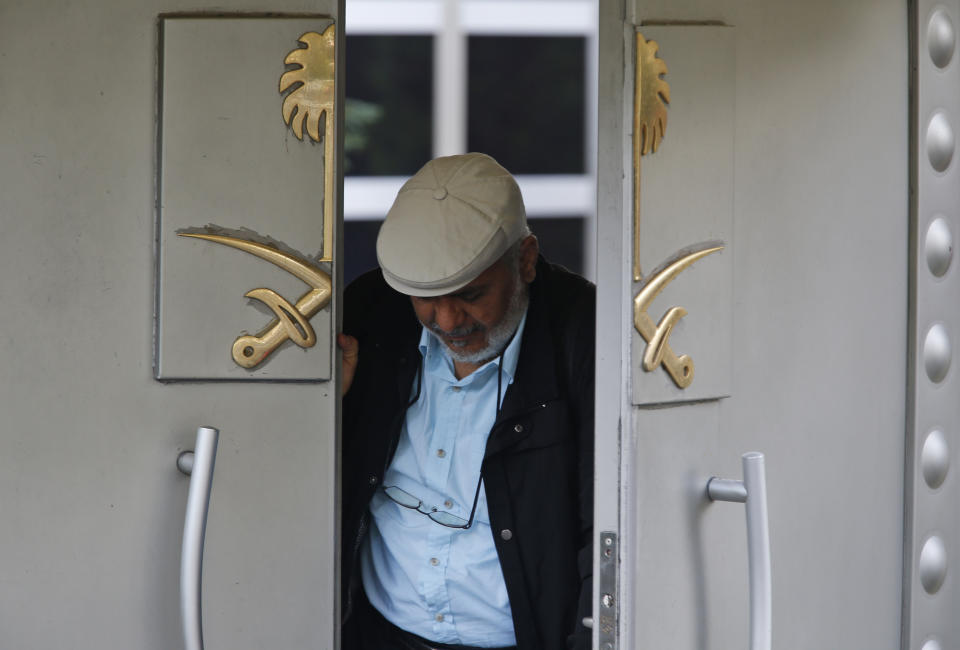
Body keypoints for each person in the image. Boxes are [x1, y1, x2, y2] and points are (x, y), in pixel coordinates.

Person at [339, 153, 594, 650]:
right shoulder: (372, 312)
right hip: (377, 633)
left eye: (472, 294)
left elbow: (604, 529)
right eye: (426, 298)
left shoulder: (587, 337)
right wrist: (331, 406)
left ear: (526, 259)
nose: (449, 321)